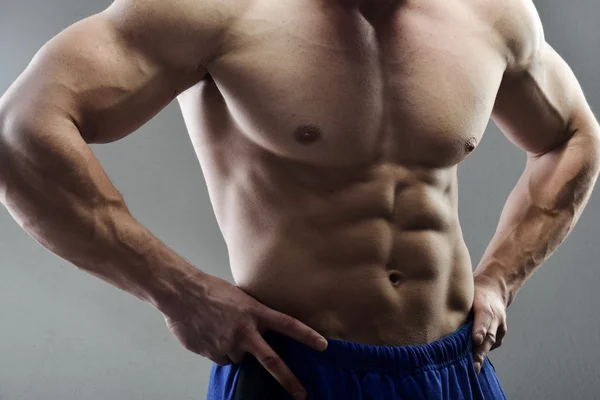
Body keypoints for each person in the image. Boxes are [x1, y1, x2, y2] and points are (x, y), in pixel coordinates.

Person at [0, 0, 598, 398]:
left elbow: (574, 136)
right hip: (293, 375)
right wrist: (176, 291)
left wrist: (499, 279)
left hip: (452, 370)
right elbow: (21, 131)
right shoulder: (216, 8)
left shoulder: (490, 12)